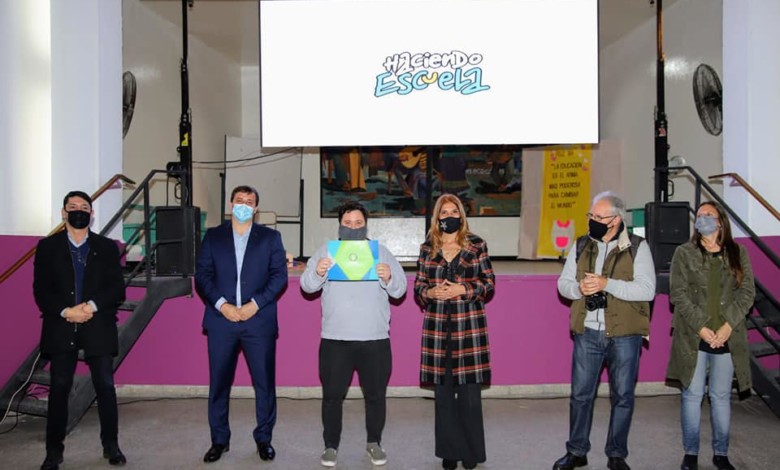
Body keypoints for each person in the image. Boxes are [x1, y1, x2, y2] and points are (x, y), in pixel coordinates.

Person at [554, 191, 656, 470]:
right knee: (580, 396)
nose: (593, 221)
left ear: (616, 219)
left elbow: (647, 290)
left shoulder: (638, 247)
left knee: (622, 397)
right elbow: (563, 284)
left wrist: (606, 284)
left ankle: (616, 454)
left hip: (625, 334)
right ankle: (576, 451)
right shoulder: (581, 245)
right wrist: (580, 288)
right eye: (591, 215)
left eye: (599, 217)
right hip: (587, 332)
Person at [301, 201, 407, 467]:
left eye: (358, 223)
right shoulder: (326, 251)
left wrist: (389, 276)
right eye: (347, 223)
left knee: (375, 396)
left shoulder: (381, 253)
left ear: (366, 225)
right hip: (335, 339)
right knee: (332, 396)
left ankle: (374, 443)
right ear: (339, 225)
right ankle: (330, 446)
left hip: (375, 339)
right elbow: (307, 286)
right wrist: (318, 271)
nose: (353, 227)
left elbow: (400, 290)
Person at [33, 191, 127, 470]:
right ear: (63, 212)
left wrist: (91, 307)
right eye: (72, 206)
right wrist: (67, 311)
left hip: (98, 323)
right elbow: (41, 290)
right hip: (62, 324)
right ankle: (53, 451)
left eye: (84, 207)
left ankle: (111, 445)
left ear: (92, 214)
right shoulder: (47, 247)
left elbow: (116, 288)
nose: (78, 211)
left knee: (105, 386)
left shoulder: (107, 247)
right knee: (60, 387)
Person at [195, 185, 288, 463]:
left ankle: (264, 439)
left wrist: (254, 305)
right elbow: (203, 276)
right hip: (221, 321)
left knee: (264, 384)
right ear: (231, 204)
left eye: (249, 202)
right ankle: (219, 440)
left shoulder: (270, 238)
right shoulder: (213, 236)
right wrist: (222, 305)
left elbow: (279, 276)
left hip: (258, 321)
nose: (244, 205)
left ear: (256, 208)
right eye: (239, 200)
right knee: (219, 384)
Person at [666, 202, 755, 470]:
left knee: (720, 396)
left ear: (720, 221)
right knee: (692, 395)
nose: (702, 218)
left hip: (728, 336)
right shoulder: (684, 253)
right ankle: (691, 453)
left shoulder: (738, 252)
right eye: (699, 215)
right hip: (694, 336)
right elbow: (678, 294)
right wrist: (702, 328)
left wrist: (727, 327)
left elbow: (747, 293)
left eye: (709, 215)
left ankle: (721, 454)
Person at [414, 193, 495, 470]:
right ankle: (449, 451)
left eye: (454, 211)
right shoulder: (427, 249)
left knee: (470, 397)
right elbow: (418, 287)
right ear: (437, 217)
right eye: (444, 212)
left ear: (461, 215)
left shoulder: (477, 245)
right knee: (443, 397)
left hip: (469, 329)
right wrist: (430, 292)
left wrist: (463, 289)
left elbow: (489, 283)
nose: (449, 216)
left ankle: (471, 452)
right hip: (437, 331)